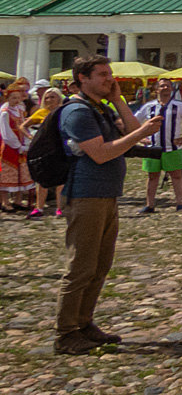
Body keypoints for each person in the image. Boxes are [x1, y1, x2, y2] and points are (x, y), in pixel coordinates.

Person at [54, 55, 162, 354]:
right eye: (102, 75)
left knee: (100, 266)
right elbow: (100, 153)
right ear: (83, 78)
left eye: (109, 74)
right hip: (86, 195)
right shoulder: (77, 111)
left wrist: (119, 102)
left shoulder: (100, 108)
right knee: (80, 267)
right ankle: (65, 333)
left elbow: (129, 131)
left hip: (106, 194)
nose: (109, 79)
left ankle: (84, 322)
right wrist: (141, 133)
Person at [133, 78, 182, 213]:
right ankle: (150, 204)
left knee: (176, 176)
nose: (165, 88)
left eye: (168, 86)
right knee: (152, 177)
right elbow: (134, 121)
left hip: (172, 148)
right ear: (157, 89)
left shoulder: (179, 105)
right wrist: (140, 138)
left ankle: (180, 203)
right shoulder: (149, 106)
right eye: (162, 86)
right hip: (152, 148)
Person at [21, 87, 67, 218]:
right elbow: (23, 126)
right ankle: (39, 207)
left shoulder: (63, 112)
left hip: (60, 148)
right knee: (42, 180)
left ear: (59, 98)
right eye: (47, 97)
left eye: (53, 96)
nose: (50, 99)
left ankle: (60, 207)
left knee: (60, 180)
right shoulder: (41, 112)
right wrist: (31, 137)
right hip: (43, 149)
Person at [1, 81, 34, 212]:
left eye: (18, 97)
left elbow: (24, 127)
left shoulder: (20, 109)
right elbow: (6, 133)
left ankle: (18, 200)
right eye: (13, 98)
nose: (16, 100)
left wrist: (26, 142)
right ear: (7, 98)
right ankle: (5, 201)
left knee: (21, 173)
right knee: (8, 174)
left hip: (21, 144)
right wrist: (17, 145)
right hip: (9, 146)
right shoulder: (4, 112)